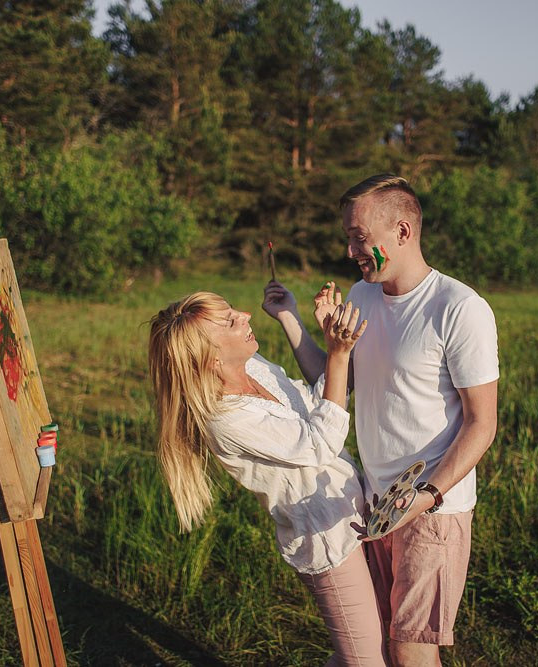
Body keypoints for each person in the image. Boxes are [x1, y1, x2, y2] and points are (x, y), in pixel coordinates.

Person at [267, 174, 499, 667]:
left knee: (412, 653)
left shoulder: (458, 308)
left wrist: (426, 497)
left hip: (433, 509)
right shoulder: (363, 294)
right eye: (349, 237)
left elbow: (482, 424)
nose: (351, 250)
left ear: (401, 231)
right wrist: (291, 319)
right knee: (378, 647)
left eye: (359, 237)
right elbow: (335, 384)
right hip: (372, 506)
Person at [147, 290, 386, 666]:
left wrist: (293, 318)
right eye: (229, 321)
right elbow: (319, 442)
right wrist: (338, 354)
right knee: (364, 660)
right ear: (210, 359)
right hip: (328, 538)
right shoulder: (225, 420)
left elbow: (316, 404)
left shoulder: (254, 366)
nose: (245, 314)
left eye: (232, 309)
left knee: (367, 651)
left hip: (354, 510)